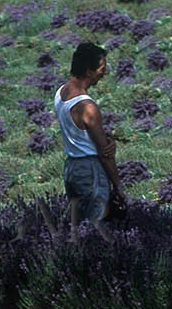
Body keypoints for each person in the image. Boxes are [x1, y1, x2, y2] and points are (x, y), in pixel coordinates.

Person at [54, 41, 126, 237]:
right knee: (97, 228)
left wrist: (105, 138)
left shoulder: (61, 93)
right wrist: (118, 186)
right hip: (90, 171)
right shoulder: (88, 107)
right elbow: (105, 154)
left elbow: (81, 133)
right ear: (89, 71)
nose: (104, 72)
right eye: (102, 68)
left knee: (77, 227)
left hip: (71, 169)